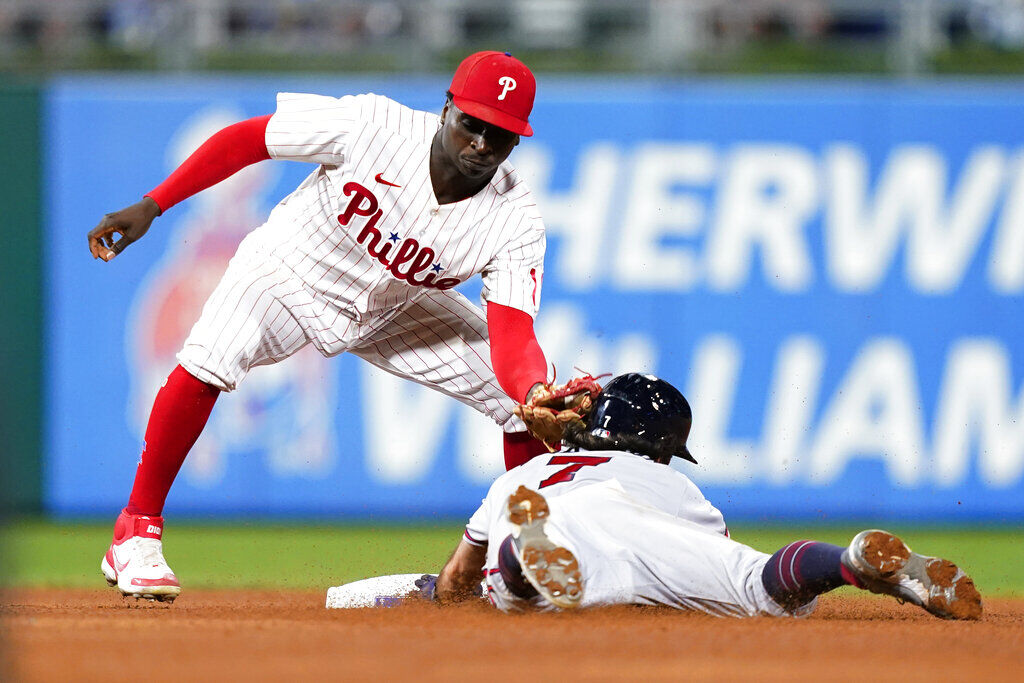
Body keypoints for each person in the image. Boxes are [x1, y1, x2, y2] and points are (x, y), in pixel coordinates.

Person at [90, 51, 556, 602]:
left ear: (517, 141)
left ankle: (525, 558)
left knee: (525, 406)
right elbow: (250, 139)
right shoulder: (371, 124)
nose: (480, 143)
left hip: (393, 310)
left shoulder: (516, 217)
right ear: (446, 108)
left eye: (499, 134)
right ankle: (136, 531)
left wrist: (534, 389)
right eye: (471, 123)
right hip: (289, 269)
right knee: (213, 356)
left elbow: (512, 335)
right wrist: (154, 204)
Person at [328, 374, 983, 620]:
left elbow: (452, 582)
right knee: (763, 585)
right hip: (652, 530)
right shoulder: (678, 484)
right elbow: (705, 565)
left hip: (551, 514)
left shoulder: (522, 476)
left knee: (509, 593)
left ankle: (526, 571)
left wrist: (434, 590)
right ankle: (849, 561)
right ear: (663, 444)